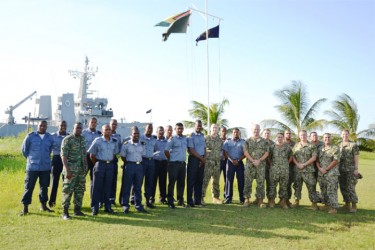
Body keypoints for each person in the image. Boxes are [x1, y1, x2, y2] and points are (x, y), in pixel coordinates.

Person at [20, 120, 54, 215]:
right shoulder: (30, 136)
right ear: (37, 126)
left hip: (45, 167)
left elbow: (49, 150)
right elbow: (24, 150)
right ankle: (25, 208)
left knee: (44, 187)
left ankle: (43, 205)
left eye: (44, 125)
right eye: (40, 125)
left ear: (47, 127)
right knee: (29, 187)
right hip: (32, 167)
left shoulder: (49, 138)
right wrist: (31, 159)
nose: (42, 127)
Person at [88, 124, 120, 215]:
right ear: (102, 131)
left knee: (108, 187)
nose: (108, 131)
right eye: (106, 130)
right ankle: (95, 207)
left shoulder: (114, 141)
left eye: (109, 130)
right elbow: (92, 155)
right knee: (97, 187)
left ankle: (107, 206)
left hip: (110, 165)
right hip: (100, 164)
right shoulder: (97, 141)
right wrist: (97, 164)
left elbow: (114, 154)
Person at [60, 122, 88, 220]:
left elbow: (84, 154)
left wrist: (85, 167)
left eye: (80, 128)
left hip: (80, 170)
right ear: (73, 128)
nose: (79, 130)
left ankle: (77, 210)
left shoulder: (83, 139)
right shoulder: (67, 140)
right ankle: (65, 212)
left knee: (80, 190)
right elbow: (63, 156)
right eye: (77, 128)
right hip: (70, 170)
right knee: (68, 190)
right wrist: (67, 170)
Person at [120, 126, 147, 213]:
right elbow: (123, 156)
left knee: (138, 187)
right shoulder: (126, 144)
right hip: (129, 166)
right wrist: (128, 162)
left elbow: (143, 155)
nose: (136, 135)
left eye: (137, 133)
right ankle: (125, 205)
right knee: (127, 186)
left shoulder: (142, 144)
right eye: (134, 133)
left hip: (139, 166)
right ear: (131, 134)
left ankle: (138, 205)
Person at [243, 124, 269, 208]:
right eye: (255, 129)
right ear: (252, 130)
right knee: (248, 182)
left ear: (260, 130)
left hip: (261, 165)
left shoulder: (264, 141)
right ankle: (247, 199)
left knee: (261, 182)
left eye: (257, 129)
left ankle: (260, 200)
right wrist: (253, 160)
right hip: (250, 165)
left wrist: (259, 160)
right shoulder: (247, 141)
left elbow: (267, 153)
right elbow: (245, 152)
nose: (256, 131)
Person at [292, 130, 320, 210]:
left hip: (308, 170)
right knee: (297, 186)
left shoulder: (312, 146)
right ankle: (296, 201)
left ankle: (314, 203)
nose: (302, 136)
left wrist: (304, 164)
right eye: (301, 135)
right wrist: (297, 164)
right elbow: (292, 156)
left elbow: (314, 157)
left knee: (311, 187)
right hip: (297, 170)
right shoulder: (296, 146)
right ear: (299, 136)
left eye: (304, 135)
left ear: (307, 135)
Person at [164, 123, 188, 208]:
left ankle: (180, 200)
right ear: (175, 129)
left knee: (181, 183)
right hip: (174, 164)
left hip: (182, 164)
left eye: (181, 128)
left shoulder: (185, 139)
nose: (180, 130)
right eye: (178, 128)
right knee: (172, 183)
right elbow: (166, 150)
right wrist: (171, 159)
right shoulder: (172, 139)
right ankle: (170, 202)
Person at [316, 133, 340, 214]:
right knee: (323, 190)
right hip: (321, 172)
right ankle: (326, 205)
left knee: (332, 190)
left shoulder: (335, 148)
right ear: (323, 139)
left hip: (331, 173)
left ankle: (334, 208)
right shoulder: (320, 148)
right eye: (325, 137)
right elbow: (317, 160)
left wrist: (326, 169)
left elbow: (335, 160)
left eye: (328, 137)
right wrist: (320, 168)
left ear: (331, 138)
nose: (327, 139)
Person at [268, 133, 293, 209]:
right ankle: (272, 201)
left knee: (284, 186)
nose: (280, 138)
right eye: (278, 137)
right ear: (276, 138)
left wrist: (286, 164)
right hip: (274, 169)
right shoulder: (272, 147)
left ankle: (283, 202)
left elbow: (291, 156)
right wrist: (271, 164)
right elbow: (268, 156)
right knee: (272, 185)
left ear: (283, 138)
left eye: (281, 137)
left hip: (284, 170)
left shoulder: (287, 147)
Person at [339, 129, 360, 213]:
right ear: (341, 135)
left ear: (348, 135)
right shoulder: (339, 145)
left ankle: (354, 205)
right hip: (341, 170)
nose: (345, 136)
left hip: (350, 169)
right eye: (343, 134)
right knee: (343, 187)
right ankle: (347, 203)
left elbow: (356, 157)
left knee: (351, 187)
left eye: (346, 134)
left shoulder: (353, 145)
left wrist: (356, 168)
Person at [222, 128, 245, 204]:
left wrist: (238, 160)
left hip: (239, 163)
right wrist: (232, 160)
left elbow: (245, 153)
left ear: (239, 133)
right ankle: (228, 198)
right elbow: (225, 152)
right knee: (229, 180)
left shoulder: (243, 142)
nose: (236, 133)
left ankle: (242, 198)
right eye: (234, 132)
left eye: (237, 132)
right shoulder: (227, 141)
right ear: (232, 133)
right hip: (230, 163)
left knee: (241, 180)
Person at [49, 120, 69, 208]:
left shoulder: (69, 137)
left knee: (66, 182)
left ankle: (65, 203)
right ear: (58, 126)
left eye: (64, 125)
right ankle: (52, 202)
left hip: (66, 160)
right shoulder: (52, 136)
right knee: (54, 182)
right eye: (61, 125)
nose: (63, 127)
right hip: (56, 159)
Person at [202, 124, 223, 205]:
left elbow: (221, 151)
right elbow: (203, 149)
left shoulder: (220, 140)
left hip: (217, 163)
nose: (214, 129)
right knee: (205, 180)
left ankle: (215, 198)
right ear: (210, 129)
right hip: (208, 163)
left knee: (216, 181)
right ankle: (201, 197)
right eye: (213, 128)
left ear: (218, 130)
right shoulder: (206, 138)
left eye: (216, 128)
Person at [187, 120, 206, 207]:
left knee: (199, 181)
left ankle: (197, 201)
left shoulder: (202, 136)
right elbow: (191, 150)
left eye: (200, 125)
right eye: (197, 125)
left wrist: (204, 158)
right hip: (194, 160)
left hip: (202, 160)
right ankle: (190, 201)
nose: (199, 127)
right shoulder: (191, 136)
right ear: (194, 126)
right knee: (191, 181)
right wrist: (201, 159)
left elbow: (204, 148)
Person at [140, 123, 157, 208]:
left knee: (149, 182)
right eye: (148, 128)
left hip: (151, 161)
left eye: (151, 128)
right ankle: (136, 200)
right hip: (142, 161)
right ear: (145, 129)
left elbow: (156, 149)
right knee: (139, 181)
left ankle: (148, 201)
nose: (150, 129)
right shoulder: (140, 138)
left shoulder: (154, 139)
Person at [82, 117, 102, 187]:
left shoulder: (99, 134)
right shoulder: (84, 133)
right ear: (88, 123)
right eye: (92, 122)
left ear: (96, 124)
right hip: (86, 156)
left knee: (94, 177)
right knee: (81, 176)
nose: (93, 124)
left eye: (95, 122)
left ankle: (92, 196)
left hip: (94, 157)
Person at [152, 126, 168, 204]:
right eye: (159, 131)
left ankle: (162, 198)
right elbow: (151, 151)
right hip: (155, 162)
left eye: (162, 131)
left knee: (163, 181)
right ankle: (151, 198)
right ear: (156, 132)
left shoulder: (167, 141)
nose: (161, 132)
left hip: (164, 163)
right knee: (153, 181)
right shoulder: (154, 141)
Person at [109, 118, 122, 206]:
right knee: (104, 180)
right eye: (112, 124)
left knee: (113, 180)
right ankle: (103, 199)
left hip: (114, 161)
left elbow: (120, 150)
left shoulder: (118, 137)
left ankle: (112, 199)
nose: (114, 125)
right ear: (110, 124)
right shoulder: (104, 134)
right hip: (105, 160)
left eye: (115, 124)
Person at [262, 129, 274, 204]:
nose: (266, 134)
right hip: (261, 166)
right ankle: (259, 199)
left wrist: (271, 163)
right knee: (260, 183)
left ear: (270, 134)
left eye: (268, 133)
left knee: (270, 183)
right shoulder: (260, 142)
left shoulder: (273, 144)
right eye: (265, 133)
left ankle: (270, 199)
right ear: (263, 134)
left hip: (270, 166)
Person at [284, 129, 296, 207]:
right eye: (287, 133)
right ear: (284, 134)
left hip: (290, 166)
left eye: (289, 133)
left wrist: (287, 163)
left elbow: (294, 155)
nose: (288, 134)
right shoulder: (280, 142)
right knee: (282, 184)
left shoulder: (294, 144)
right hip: (280, 166)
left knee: (288, 184)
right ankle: (282, 199)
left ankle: (287, 200)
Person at [219, 126, 228, 199]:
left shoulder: (228, 140)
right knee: (216, 179)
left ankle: (226, 195)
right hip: (218, 161)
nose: (223, 132)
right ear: (220, 131)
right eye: (222, 131)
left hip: (226, 161)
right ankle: (215, 195)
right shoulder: (217, 140)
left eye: (225, 131)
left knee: (227, 179)